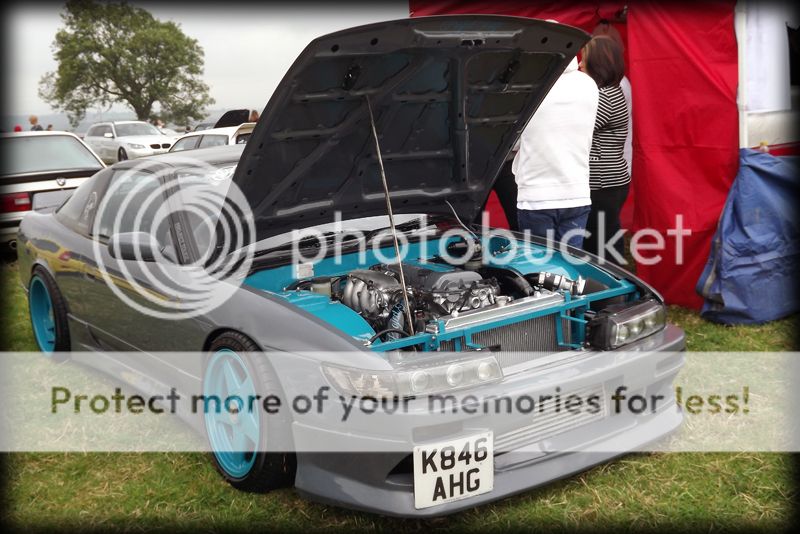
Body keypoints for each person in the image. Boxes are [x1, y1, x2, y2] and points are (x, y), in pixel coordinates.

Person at [512, 56, 599, 248]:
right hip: (577, 191)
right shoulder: (588, 84)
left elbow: (513, 141)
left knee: (538, 268)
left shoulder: (530, 86)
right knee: (569, 269)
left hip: (536, 195)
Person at [580, 35, 630, 263]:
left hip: (602, 183)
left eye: (585, 60)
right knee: (607, 239)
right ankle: (616, 291)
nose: (580, 65)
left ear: (597, 64)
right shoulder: (612, 90)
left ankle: (611, 294)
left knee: (599, 246)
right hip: (612, 180)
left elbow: (577, 131)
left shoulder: (604, 96)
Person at [592, 21, 632, 176]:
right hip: (610, 164)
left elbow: (589, 124)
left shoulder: (616, 86)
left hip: (608, 169)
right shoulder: (616, 82)